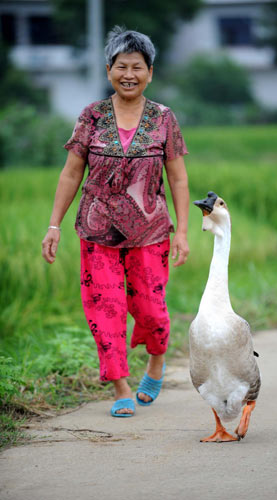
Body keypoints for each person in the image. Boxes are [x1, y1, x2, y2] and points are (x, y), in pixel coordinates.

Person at [42, 26, 189, 417]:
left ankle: (156, 362)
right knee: (105, 309)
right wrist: (54, 225)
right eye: (121, 66)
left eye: (137, 67)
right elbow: (71, 173)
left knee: (153, 311)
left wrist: (184, 232)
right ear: (109, 70)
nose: (129, 74)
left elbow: (177, 177)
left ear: (150, 72)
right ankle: (121, 385)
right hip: (97, 232)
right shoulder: (91, 116)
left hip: (151, 232)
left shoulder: (163, 118)